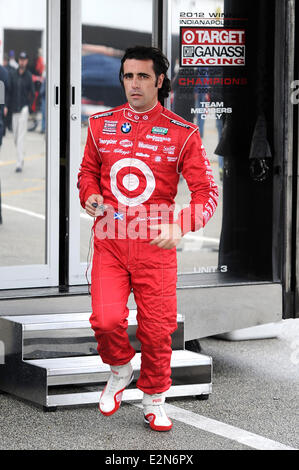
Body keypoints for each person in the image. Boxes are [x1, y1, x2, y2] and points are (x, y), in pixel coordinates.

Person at [77, 46, 218, 431]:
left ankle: (155, 398)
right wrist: (89, 194)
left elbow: (208, 192)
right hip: (109, 236)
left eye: (142, 76)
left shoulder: (183, 133)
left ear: (159, 81)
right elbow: (87, 172)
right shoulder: (100, 125)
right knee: (106, 321)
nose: (134, 84)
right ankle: (121, 369)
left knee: (158, 332)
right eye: (128, 76)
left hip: (156, 241)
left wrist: (181, 225)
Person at [10, 51, 35, 172]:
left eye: (24, 60)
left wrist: (29, 107)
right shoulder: (13, 74)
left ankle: (19, 163)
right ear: (18, 60)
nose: (22, 61)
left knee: (20, 137)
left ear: (27, 61)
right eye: (20, 59)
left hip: (24, 109)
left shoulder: (29, 76)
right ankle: (21, 155)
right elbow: (8, 90)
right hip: (14, 109)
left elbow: (33, 93)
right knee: (15, 137)